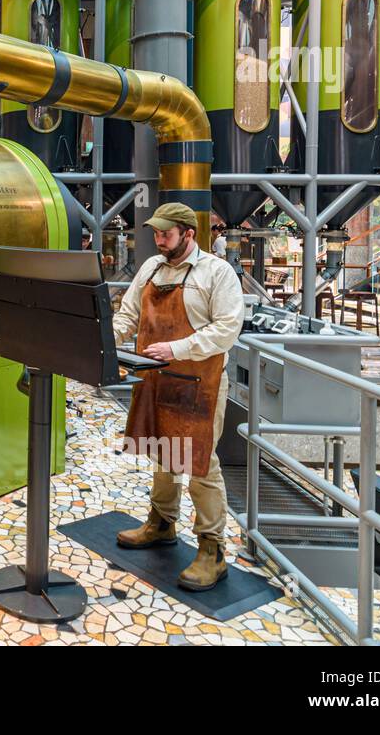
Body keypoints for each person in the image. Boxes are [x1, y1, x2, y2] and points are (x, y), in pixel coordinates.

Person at [111, 202, 244, 592]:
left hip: (199, 381)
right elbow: (128, 314)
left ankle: (212, 550)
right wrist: (108, 340)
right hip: (157, 379)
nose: (159, 239)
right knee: (162, 452)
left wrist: (178, 348)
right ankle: (162, 523)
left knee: (199, 462)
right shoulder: (151, 268)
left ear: (189, 234)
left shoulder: (217, 273)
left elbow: (226, 330)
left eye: (166, 233)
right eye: (156, 233)